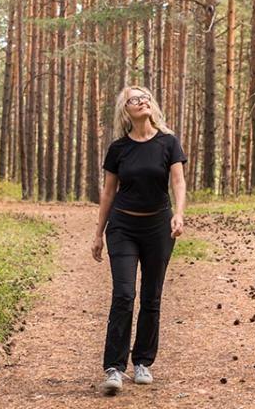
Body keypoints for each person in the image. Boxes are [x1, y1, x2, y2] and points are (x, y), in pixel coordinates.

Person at [91, 85, 188, 396]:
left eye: (145, 97)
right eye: (134, 99)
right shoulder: (119, 149)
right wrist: (97, 233)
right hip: (122, 228)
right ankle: (114, 368)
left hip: (159, 228)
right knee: (123, 294)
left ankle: (143, 362)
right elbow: (108, 192)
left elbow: (178, 180)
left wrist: (179, 214)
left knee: (151, 296)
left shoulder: (168, 143)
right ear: (125, 110)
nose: (142, 101)